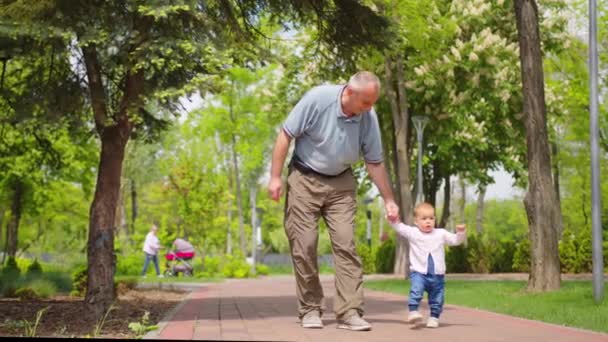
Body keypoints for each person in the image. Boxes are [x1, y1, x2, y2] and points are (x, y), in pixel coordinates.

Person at [267, 71, 400, 331]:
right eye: (365, 102)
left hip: (341, 182)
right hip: (304, 178)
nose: (369, 108)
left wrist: (389, 200)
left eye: (372, 103)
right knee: (304, 245)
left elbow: (374, 161)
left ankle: (350, 311)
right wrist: (274, 177)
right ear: (349, 92)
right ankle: (310, 309)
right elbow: (285, 134)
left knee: (346, 244)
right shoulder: (318, 99)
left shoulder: (367, 116)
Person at [388, 202, 466, 328]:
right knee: (416, 290)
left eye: (431, 218)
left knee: (437, 298)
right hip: (419, 273)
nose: (428, 221)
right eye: (424, 219)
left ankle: (434, 317)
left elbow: (455, 241)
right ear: (416, 221)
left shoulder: (441, 233)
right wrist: (394, 220)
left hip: (437, 275)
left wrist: (460, 233)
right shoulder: (413, 232)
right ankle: (413, 311)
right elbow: (400, 227)